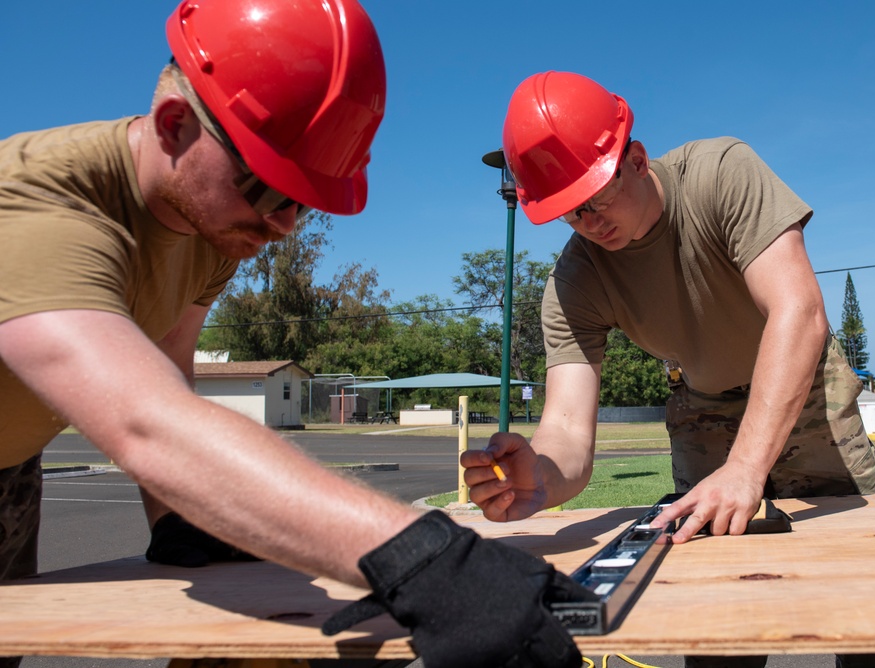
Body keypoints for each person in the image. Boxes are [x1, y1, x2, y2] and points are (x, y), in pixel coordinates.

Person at [0, 7, 587, 668]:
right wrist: (430, 562)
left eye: (301, 199)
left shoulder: (215, 221)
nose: (282, 224)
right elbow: (144, 425)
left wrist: (174, 524)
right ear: (173, 125)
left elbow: (167, 368)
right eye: (265, 186)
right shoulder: (38, 209)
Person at [461, 71, 875, 668]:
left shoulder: (722, 173)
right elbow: (567, 432)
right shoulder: (574, 284)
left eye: (596, 198)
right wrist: (540, 475)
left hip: (805, 392)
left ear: (636, 160)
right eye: (569, 213)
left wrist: (747, 467)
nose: (589, 224)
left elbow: (799, 313)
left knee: (865, 597)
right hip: (703, 408)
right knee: (718, 618)